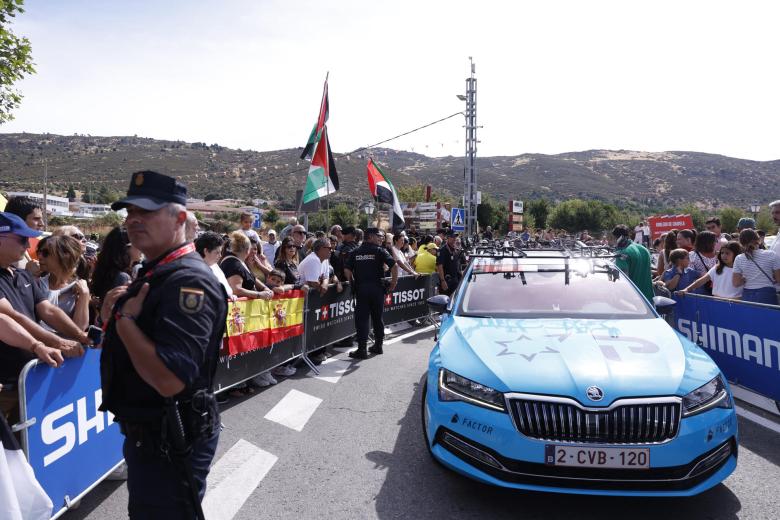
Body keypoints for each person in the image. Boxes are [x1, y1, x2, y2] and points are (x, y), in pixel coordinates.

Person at [99, 170, 228, 518]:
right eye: (130, 211)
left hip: (172, 437)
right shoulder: (158, 271)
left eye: (147, 211)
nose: (133, 219)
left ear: (180, 219)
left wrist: (124, 322)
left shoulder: (188, 281)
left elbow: (170, 380)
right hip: (152, 434)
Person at [0, 212, 86, 424]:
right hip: (5, 385)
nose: (27, 245)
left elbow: (48, 311)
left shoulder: (23, 275)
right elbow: (11, 316)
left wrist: (80, 336)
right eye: (21, 239)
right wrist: (56, 342)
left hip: (31, 379)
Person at [344, 228, 398, 359]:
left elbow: (347, 269)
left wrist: (352, 282)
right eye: (378, 236)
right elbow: (394, 266)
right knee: (377, 318)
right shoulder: (380, 251)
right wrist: (393, 283)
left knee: (362, 319)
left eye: (382, 236)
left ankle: (362, 349)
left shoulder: (355, 251)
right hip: (377, 289)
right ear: (370, 237)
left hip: (362, 289)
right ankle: (378, 346)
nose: (381, 238)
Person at [37, 235, 91, 331]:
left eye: (46, 253)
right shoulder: (36, 282)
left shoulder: (79, 289)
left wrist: (84, 295)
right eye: (39, 252)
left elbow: (80, 328)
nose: (39, 257)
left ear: (65, 256)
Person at [679, 241, 743, 299]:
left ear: (736, 254)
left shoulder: (742, 270)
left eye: (727, 253)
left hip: (735, 303)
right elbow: (702, 280)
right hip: (717, 301)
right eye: (722, 253)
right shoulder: (717, 268)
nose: (723, 255)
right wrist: (687, 289)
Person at [219, 231, 274, 300]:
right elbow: (235, 290)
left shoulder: (238, 261)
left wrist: (265, 288)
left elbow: (252, 278)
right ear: (247, 250)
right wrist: (259, 295)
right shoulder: (233, 264)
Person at [732, 229, 780, 305]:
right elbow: (779, 279)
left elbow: (736, 283)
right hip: (767, 295)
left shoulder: (739, 258)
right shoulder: (771, 254)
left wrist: (744, 279)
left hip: (748, 295)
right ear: (758, 239)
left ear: (741, 242)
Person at [612, 225, 654, 301]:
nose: (613, 241)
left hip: (633, 302)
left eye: (614, 238)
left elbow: (623, 281)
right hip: (649, 301)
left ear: (620, 237)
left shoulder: (622, 255)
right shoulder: (644, 249)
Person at [4, 196, 45, 271]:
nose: (42, 224)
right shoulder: (6, 249)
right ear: (18, 219)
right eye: (36, 219)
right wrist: (28, 274)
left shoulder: (28, 244)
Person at [194, 231, 232, 297]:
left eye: (220, 252)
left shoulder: (214, 265)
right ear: (206, 251)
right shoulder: (194, 271)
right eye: (217, 252)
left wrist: (231, 296)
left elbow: (228, 291)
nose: (220, 256)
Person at [436, 230, 463, 296]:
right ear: (448, 238)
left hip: (455, 280)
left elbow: (457, 264)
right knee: (445, 299)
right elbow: (439, 266)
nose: (454, 238)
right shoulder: (442, 250)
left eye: (455, 237)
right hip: (446, 280)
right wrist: (442, 281)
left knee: (454, 299)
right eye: (452, 237)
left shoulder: (455, 249)